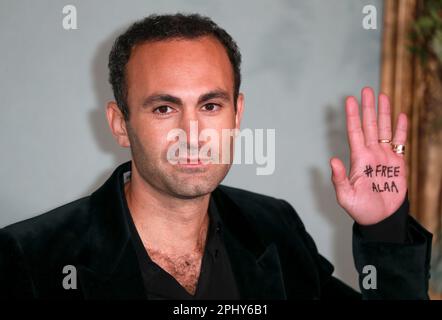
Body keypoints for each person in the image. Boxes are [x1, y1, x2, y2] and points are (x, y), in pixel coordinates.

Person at [0, 13, 432, 299]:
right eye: (164, 108)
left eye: (210, 106)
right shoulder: (31, 257)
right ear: (119, 123)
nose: (193, 133)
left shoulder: (274, 228)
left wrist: (384, 227)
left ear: (237, 112)